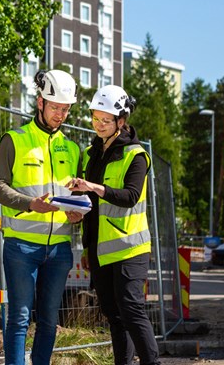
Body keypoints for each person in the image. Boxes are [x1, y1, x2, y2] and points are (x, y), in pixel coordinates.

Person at [0, 69, 83, 365]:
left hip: (59, 249)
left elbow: (76, 195)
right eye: (56, 107)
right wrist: (30, 203)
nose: (61, 115)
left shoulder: (72, 148)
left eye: (66, 109)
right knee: (18, 318)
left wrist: (77, 212)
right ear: (40, 102)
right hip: (21, 247)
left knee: (48, 321)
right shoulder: (14, 139)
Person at [67, 85, 159, 365]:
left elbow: (130, 197)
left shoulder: (136, 155)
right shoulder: (89, 153)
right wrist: (76, 210)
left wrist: (94, 187)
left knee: (131, 311)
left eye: (105, 120)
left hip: (130, 248)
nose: (99, 125)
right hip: (97, 248)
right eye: (95, 118)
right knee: (113, 315)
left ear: (122, 120)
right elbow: (88, 200)